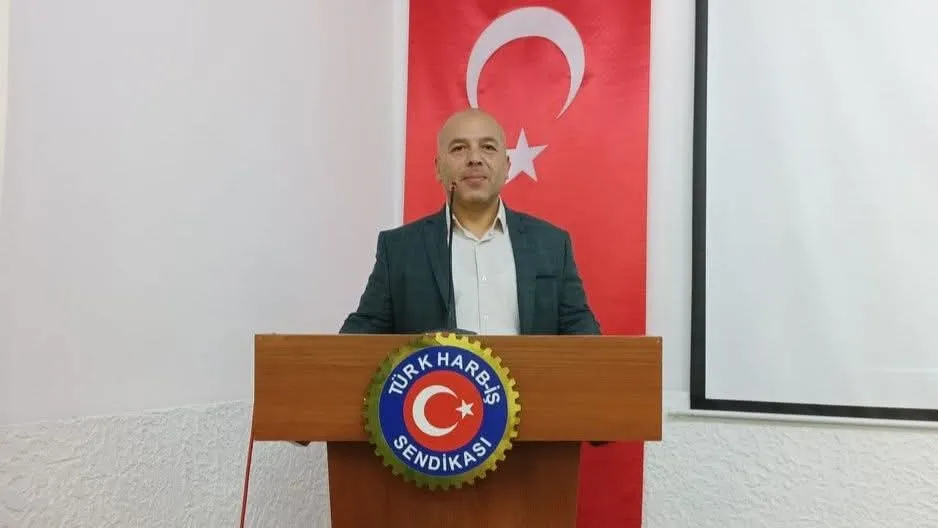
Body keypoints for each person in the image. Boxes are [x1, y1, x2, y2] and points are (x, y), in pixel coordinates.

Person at [339, 108, 600, 336]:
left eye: (488, 147)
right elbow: (359, 338)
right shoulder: (399, 249)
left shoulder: (551, 244)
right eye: (459, 148)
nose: (474, 158)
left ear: (507, 166)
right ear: (438, 168)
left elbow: (583, 334)